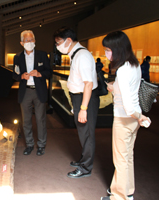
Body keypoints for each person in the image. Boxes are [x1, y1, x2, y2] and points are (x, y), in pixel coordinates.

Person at [100, 31, 151, 200]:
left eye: (108, 50)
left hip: (124, 118)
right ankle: (127, 192)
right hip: (133, 119)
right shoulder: (134, 65)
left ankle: (119, 197)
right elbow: (130, 92)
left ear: (117, 49)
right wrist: (116, 89)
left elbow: (127, 105)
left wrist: (138, 116)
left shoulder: (122, 70)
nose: (106, 54)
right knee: (128, 157)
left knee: (120, 160)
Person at [53, 27, 99, 178]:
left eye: (58, 42)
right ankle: (84, 161)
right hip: (79, 98)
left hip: (85, 98)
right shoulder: (76, 54)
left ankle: (86, 167)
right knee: (82, 132)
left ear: (68, 40)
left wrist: (83, 108)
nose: (57, 46)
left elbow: (88, 84)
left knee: (87, 133)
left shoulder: (82, 56)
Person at [12, 30, 51, 156]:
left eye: (31, 40)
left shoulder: (42, 55)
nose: (29, 42)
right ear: (21, 43)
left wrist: (40, 74)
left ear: (35, 41)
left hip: (39, 90)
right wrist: (21, 76)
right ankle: (29, 144)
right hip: (25, 92)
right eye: (27, 40)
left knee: (40, 119)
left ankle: (41, 145)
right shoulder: (18, 57)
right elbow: (14, 74)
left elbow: (49, 72)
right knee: (26, 120)